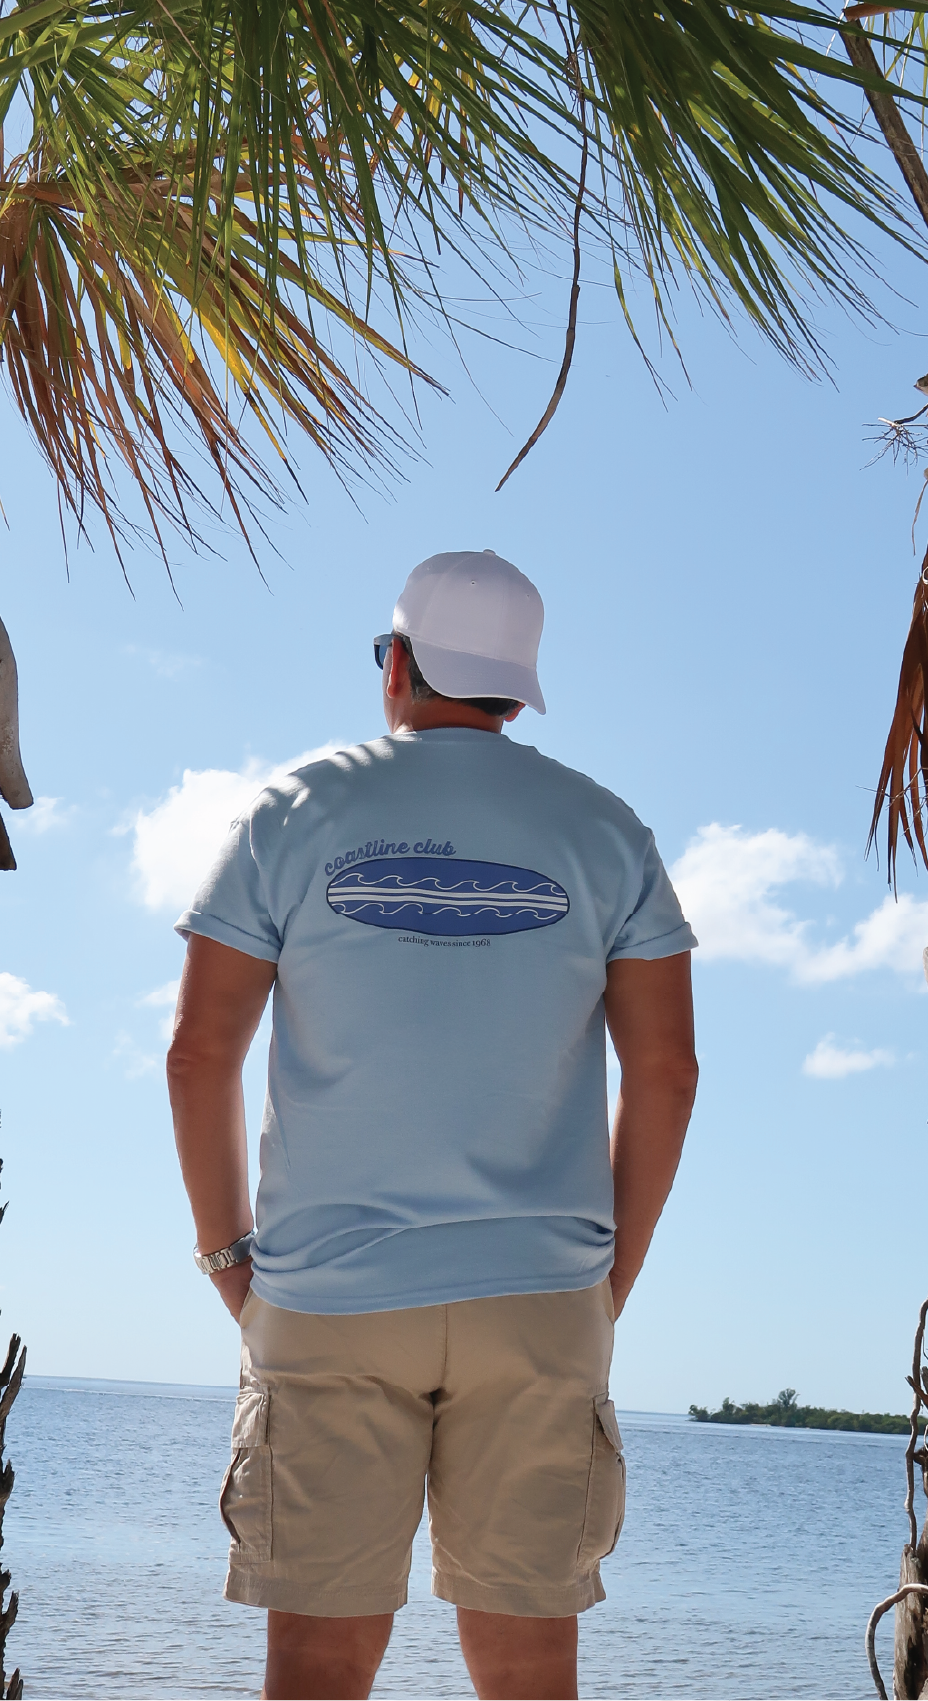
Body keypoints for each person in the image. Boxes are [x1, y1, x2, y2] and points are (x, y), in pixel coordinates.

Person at [161, 551, 699, 1700]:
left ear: (397, 663)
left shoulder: (293, 811)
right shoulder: (607, 829)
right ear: (516, 691)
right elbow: (668, 1073)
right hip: (542, 1302)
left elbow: (199, 1054)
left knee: (314, 1664)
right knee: (527, 1669)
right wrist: (605, 1284)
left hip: (326, 1298)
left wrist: (229, 1261)